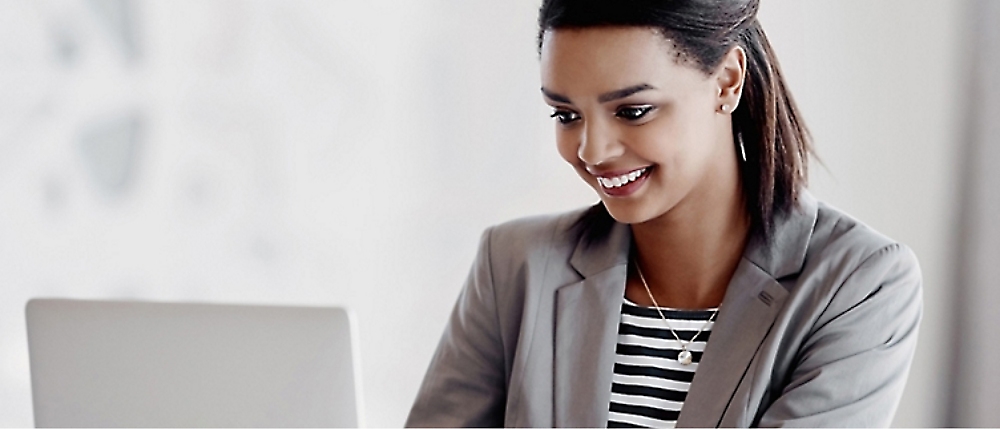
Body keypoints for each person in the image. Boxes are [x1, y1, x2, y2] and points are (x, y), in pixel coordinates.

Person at [406, 0, 923, 427]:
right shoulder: (514, 265)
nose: (592, 150)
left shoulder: (861, 284)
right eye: (566, 115)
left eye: (632, 111)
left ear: (726, 81)